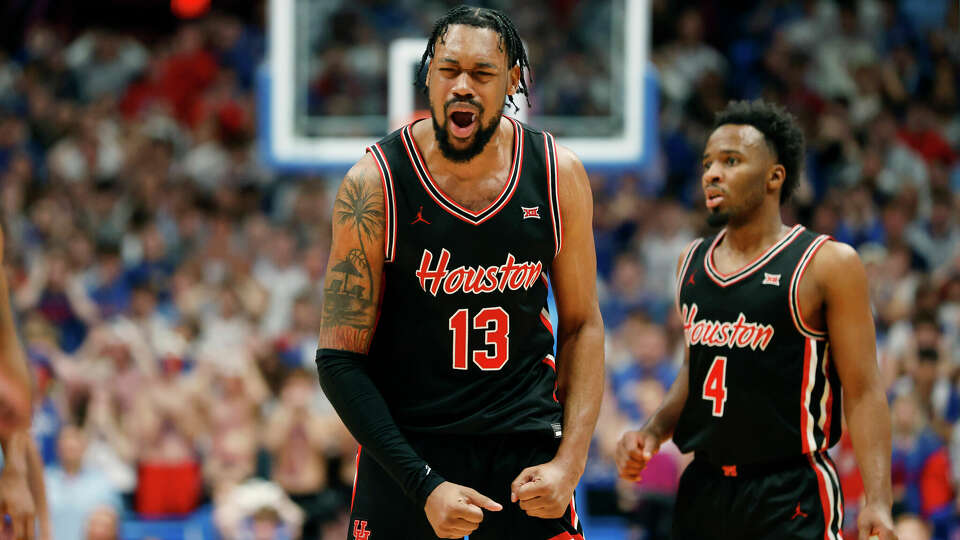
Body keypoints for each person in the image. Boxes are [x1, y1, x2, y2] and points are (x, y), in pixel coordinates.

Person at [315, 5, 603, 539]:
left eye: (482, 73)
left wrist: (571, 463)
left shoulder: (557, 175)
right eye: (449, 70)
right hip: (409, 452)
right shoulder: (374, 184)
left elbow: (583, 325)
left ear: (513, 80)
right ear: (428, 75)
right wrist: (423, 484)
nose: (463, 86)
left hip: (524, 452)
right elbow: (337, 360)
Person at [615, 100, 896, 540]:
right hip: (704, 488)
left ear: (774, 177)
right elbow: (698, 367)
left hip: (789, 490)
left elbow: (863, 390)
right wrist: (652, 431)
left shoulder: (827, 264)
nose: (711, 173)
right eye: (707, 163)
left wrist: (879, 501)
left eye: (731, 161)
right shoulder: (689, 261)